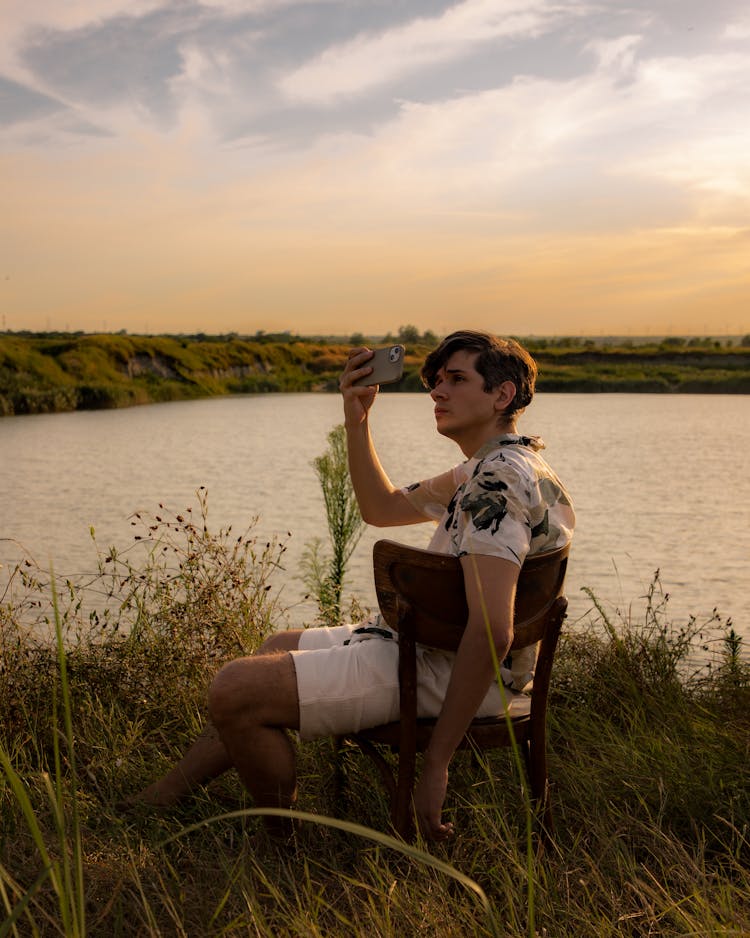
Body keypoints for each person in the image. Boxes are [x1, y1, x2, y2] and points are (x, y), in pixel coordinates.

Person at [127, 330, 575, 840]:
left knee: (235, 688)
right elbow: (380, 509)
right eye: (436, 381)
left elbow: (493, 631)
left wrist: (436, 763)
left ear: (503, 394)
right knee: (275, 648)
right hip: (433, 653)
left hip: (453, 673)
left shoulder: (497, 482)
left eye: (456, 379)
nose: (437, 392)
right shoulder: (497, 466)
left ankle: (282, 845)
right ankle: (161, 802)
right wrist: (356, 420)